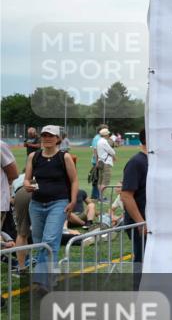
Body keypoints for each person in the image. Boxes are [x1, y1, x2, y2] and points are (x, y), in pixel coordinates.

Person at [23, 125, 78, 290]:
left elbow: (74, 180)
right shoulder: (34, 156)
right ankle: (50, 278)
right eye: (44, 135)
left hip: (58, 203)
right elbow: (28, 179)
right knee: (39, 241)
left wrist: (73, 201)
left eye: (50, 136)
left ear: (57, 139)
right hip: (37, 204)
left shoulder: (64, 157)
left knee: (50, 241)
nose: (47, 138)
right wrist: (28, 185)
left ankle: (42, 280)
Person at [119, 128, 148, 287]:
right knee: (141, 262)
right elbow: (126, 195)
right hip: (140, 223)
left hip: (151, 222)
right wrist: (140, 222)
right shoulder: (136, 162)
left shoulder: (153, 161)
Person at [95, 127, 116, 201]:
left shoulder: (98, 141)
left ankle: (100, 196)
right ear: (106, 135)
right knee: (106, 180)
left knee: (100, 180)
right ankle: (101, 197)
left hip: (101, 161)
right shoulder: (104, 142)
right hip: (106, 162)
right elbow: (112, 152)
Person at [90, 124, 108, 199]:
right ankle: (98, 196)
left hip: (101, 161)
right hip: (98, 161)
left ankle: (95, 195)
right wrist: (97, 161)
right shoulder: (97, 138)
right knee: (98, 179)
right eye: (106, 130)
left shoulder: (100, 138)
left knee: (97, 178)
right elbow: (95, 150)